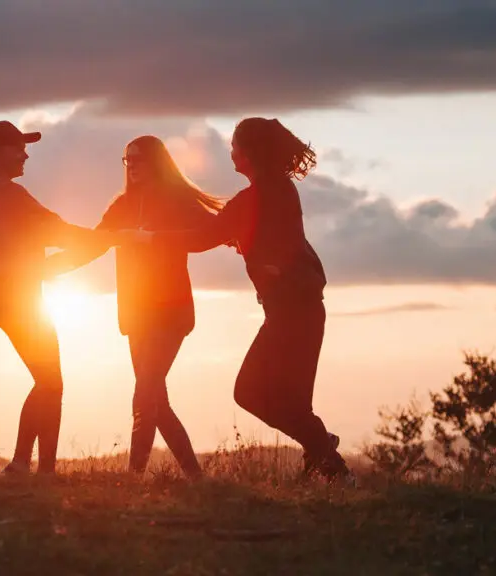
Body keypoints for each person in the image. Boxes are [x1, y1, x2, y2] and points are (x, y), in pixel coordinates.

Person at [125, 118, 352, 483]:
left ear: (248, 153)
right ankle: (326, 456)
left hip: (291, 312)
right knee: (291, 402)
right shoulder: (279, 190)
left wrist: (150, 238)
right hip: (299, 308)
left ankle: (328, 457)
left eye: (233, 145)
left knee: (248, 392)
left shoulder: (257, 196)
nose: (229, 151)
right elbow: (245, 229)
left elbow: (203, 237)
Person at [44, 135, 221, 479]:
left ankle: (133, 477)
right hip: (136, 316)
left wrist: (159, 237)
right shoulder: (121, 206)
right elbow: (93, 245)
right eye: (127, 160)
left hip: (171, 313)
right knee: (156, 400)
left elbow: (209, 235)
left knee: (144, 395)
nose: (133, 166)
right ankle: (197, 478)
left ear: (156, 162)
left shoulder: (178, 201)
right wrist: (47, 268)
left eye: (139, 159)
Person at [0, 120, 116, 476]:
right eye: (18, 148)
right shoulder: (6, 193)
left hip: (12, 298)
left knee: (49, 382)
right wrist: (111, 236)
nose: (25, 155)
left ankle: (36, 468)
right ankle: (29, 466)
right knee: (51, 382)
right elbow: (54, 228)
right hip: (18, 299)